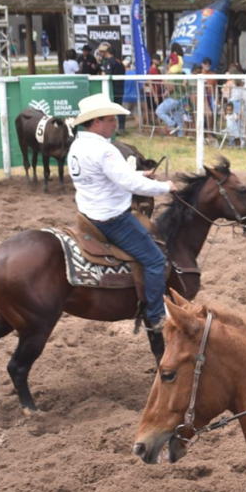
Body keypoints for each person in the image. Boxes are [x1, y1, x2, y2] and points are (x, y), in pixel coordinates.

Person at [67, 93, 175, 338]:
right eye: (111, 120)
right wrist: (166, 187)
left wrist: (137, 174)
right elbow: (130, 185)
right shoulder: (105, 150)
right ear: (96, 122)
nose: (115, 124)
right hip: (112, 219)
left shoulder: (78, 145)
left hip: (88, 215)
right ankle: (157, 316)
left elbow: (109, 175)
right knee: (155, 259)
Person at [98, 43, 127, 132]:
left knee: (110, 108)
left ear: (108, 53)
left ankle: (110, 127)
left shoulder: (110, 62)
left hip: (112, 88)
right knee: (119, 107)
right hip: (120, 87)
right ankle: (121, 127)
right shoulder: (119, 62)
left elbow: (107, 74)